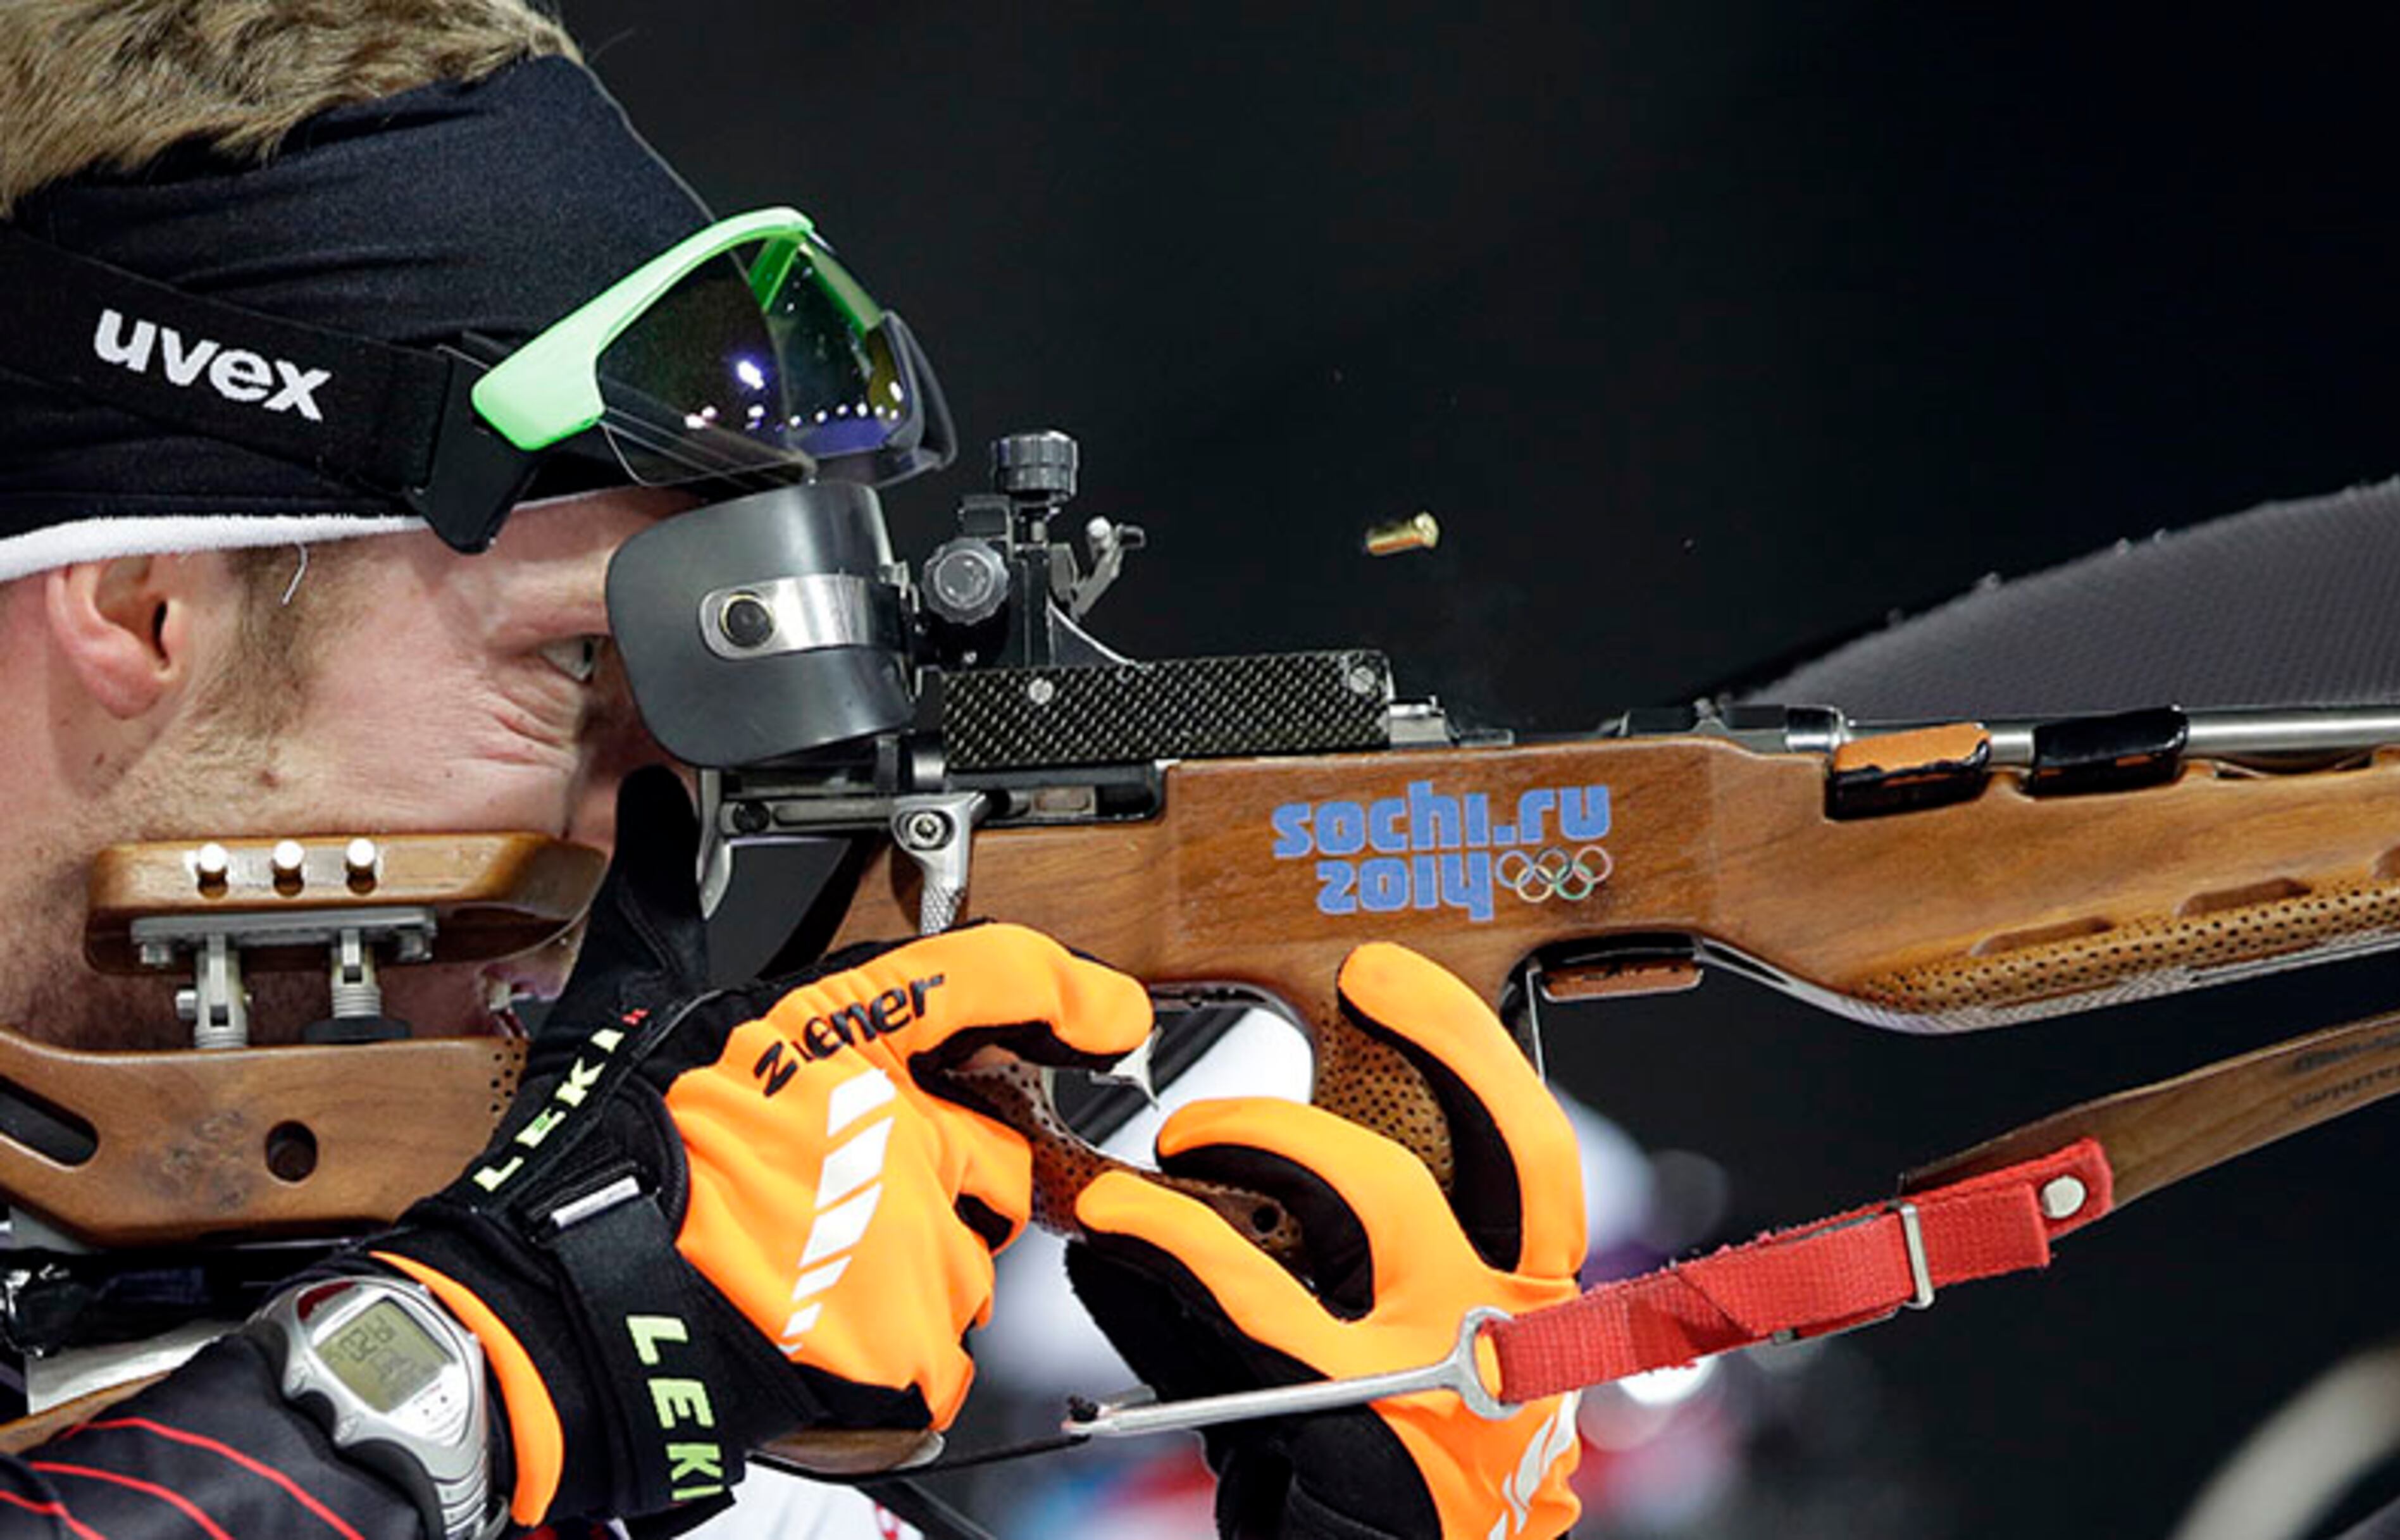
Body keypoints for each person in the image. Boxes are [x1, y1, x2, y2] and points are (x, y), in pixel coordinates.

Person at [0, 4, 1589, 1538]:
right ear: (142, 607)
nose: (653, 833)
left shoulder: (667, 1442)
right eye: (576, 665)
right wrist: (471, 1376)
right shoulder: (545, 1368)